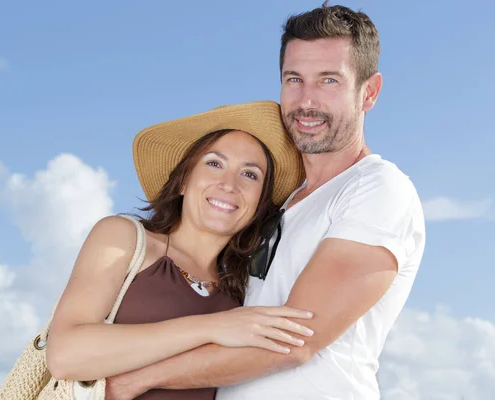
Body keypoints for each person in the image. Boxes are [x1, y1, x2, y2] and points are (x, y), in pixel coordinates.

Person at [104, 2, 426, 399]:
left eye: (328, 81)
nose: (307, 101)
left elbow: (296, 341)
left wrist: (134, 380)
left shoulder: (378, 188)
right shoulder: (280, 204)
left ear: (369, 92)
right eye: (294, 79)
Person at [45, 100, 315, 400]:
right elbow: (65, 355)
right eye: (214, 164)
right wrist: (211, 327)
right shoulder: (124, 239)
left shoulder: (244, 294)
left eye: (250, 174)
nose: (229, 184)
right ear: (184, 179)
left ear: (260, 203)